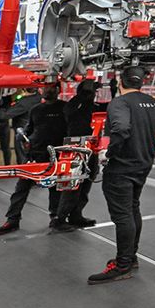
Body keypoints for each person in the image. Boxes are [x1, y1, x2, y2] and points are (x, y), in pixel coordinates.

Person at [88, 66, 155, 285]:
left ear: (121, 83)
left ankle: (122, 265)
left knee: (123, 215)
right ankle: (131, 257)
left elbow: (120, 129)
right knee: (132, 209)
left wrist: (108, 154)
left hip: (122, 166)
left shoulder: (119, 103)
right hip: (142, 163)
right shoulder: (153, 103)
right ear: (141, 83)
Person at [0, 85, 68, 234]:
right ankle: (12, 220)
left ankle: (57, 218)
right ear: (41, 91)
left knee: (57, 188)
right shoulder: (36, 109)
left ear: (58, 91)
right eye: (46, 88)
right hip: (36, 154)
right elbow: (29, 129)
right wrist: (24, 136)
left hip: (58, 154)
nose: (48, 90)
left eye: (52, 87)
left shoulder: (66, 108)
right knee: (21, 187)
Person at [53, 79, 100, 229]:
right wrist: (82, 95)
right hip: (75, 146)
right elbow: (68, 111)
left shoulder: (91, 106)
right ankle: (59, 219)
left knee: (87, 181)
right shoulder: (74, 105)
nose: (93, 94)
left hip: (90, 146)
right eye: (91, 91)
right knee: (71, 184)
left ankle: (76, 214)